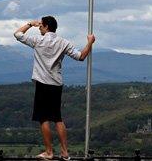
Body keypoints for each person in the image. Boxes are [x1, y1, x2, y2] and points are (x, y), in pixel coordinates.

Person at [14, 16, 95, 160]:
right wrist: (90, 42)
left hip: (42, 84)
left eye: (40, 26)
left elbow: (18, 34)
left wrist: (30, 24)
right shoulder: (63, 42)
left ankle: (49, 152)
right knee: (58, 118)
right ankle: (65, 152)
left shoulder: (38, 41)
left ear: (45, 26)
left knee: (43, 119)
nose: (39, 28)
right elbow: (81, 56)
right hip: (56, 84)